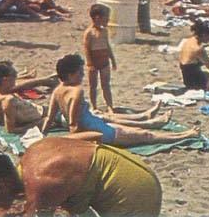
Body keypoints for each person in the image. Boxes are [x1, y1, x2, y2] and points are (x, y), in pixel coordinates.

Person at [0, 138, 163, 217]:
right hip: (133, 171)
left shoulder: (40, 184)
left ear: (1, 184)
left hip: (134, 193)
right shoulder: (30, 157)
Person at [43, 54, 200, 147]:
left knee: (137, 130)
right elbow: (73, 124)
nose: (82, 76)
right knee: (145, 135)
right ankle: (186, 135)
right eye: (79, 73)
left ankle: (155, 122)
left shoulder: (57, 91)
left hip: (95, 125)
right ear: (70, 75)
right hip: (97, 131)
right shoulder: (77, 91)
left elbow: (50, 118)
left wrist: (42, 136)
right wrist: (86, 141)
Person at [0, 61, 58, 134]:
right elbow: (11, 130)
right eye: (14, 75)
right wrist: (39, 124)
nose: (16, 78)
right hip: (48, 116)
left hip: (44, 112)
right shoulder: (8, 100)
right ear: (5, 80)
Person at [83, 4, 117, 112]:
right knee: (93, 86)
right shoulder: (89, 33)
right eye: (106, 17)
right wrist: (90, 63)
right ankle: (94, 106)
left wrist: (113, 59)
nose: (108, 19)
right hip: (94, 62)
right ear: (98, 18)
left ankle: (109, 106)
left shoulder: (104, 31)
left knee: (106, 85)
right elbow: (87, 48)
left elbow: (107, 46)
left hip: (104, 62)